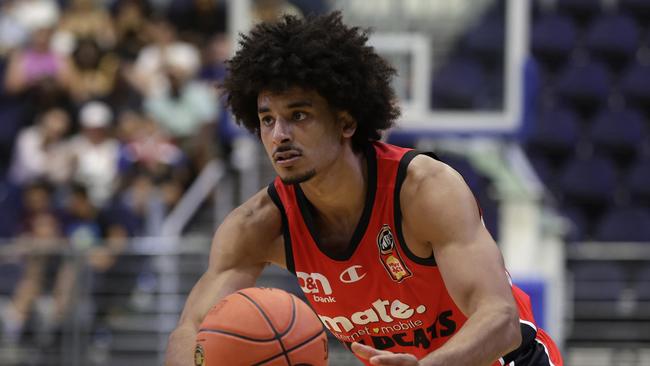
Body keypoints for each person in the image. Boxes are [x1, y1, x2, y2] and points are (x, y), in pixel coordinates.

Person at [165, 12, 563, 366]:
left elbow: (501, 320)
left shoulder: (424, 189)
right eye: (267, 120)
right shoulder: (257, 224)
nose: (279, 135)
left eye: (298, 115)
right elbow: (192, 329)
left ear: (346, 122)